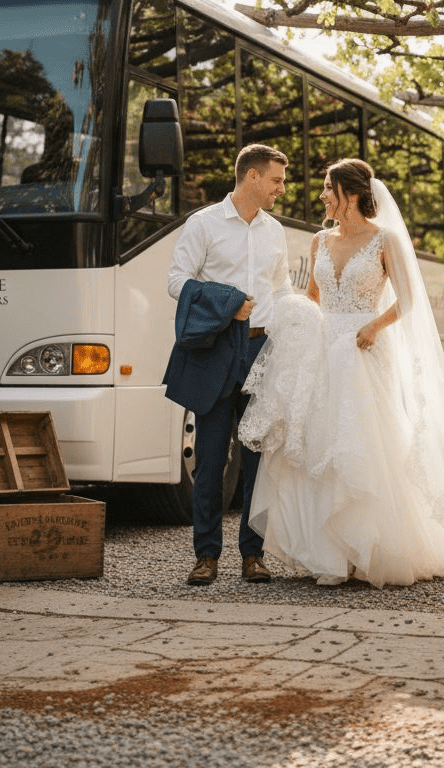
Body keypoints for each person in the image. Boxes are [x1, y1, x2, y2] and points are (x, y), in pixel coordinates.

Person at [239, 159, 444, 586]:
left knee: (364, 448)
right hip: (325, 354)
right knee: (318, 448)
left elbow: (408, 301)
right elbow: (312, 295)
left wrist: (373, 325)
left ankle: (370, 549)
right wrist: (297, 321)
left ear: (350, 193)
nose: (322, 196)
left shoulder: (385, 241)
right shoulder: (319, 242)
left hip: (366, 353)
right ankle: (328, 553)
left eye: (329, 188)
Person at [164, 144, 293, 586]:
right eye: (276, 180)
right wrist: (228, 303)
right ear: (252, 177)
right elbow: (176, 280)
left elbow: (281, 288)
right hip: (217, 349)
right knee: (212, 456)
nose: (281, 188)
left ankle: (252, 556)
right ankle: (206, 556)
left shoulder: (276, 231)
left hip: (262, 350)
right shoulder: (203, 224)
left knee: (258, 456)